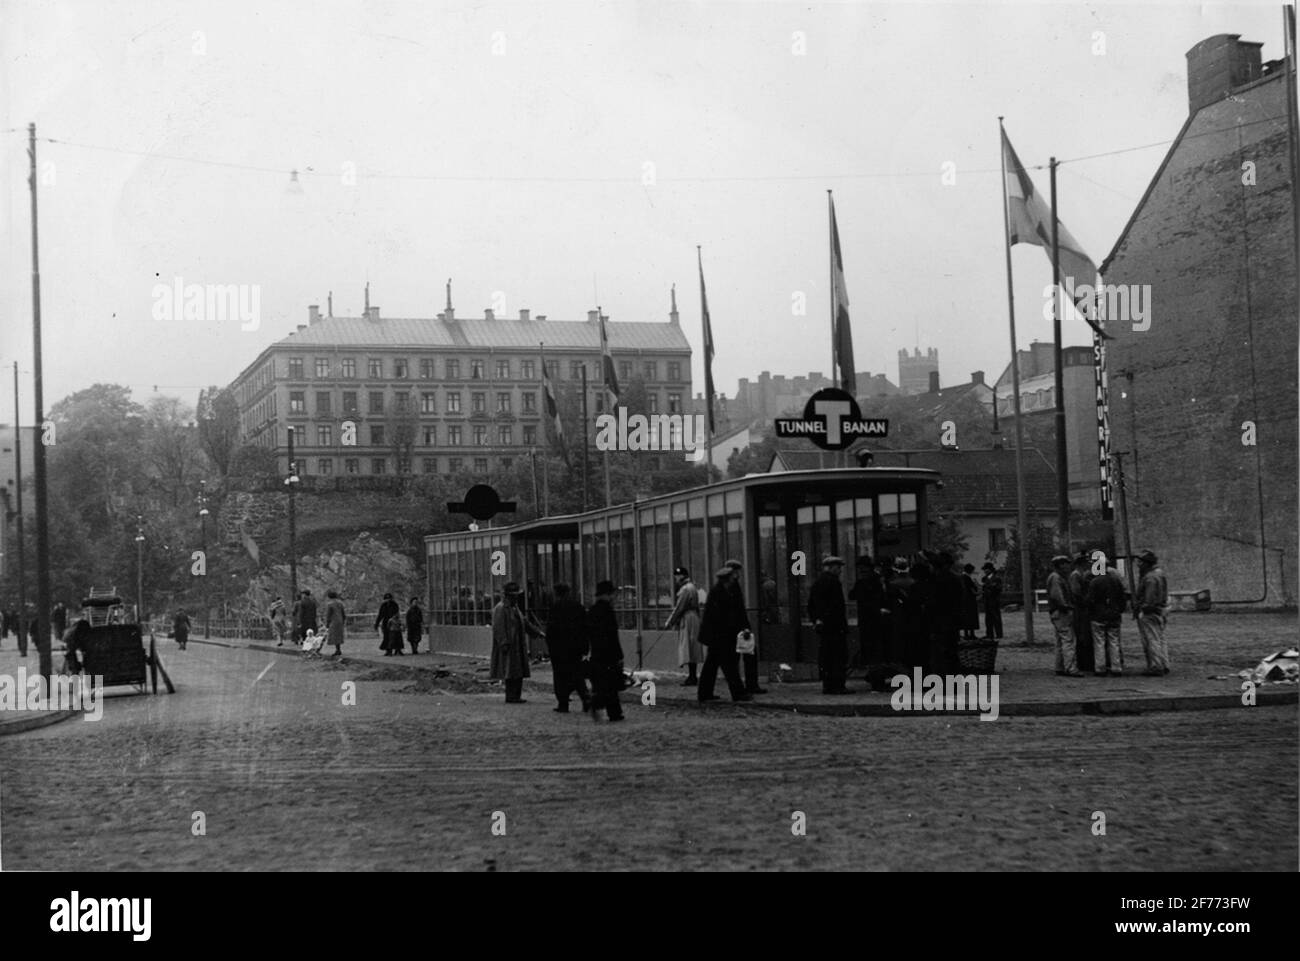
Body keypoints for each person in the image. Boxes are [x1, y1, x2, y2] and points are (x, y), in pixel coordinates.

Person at [697, 568, 750, 703]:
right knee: (728, 665)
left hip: (718, 636)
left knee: (712, 665)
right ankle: (738, 693)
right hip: (719, 636)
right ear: (727, 579)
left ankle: (705, 693)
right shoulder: (719, 593)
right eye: (732, 578)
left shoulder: (723, 591)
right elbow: (720, 617)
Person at [491, 582, 540, 703]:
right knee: (510, 671)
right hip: (509, 644)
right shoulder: (501, 608)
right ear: (508, 596)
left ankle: (516, 695)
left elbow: (524, 622)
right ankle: (511, 695)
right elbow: (498, 627)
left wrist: (537, 633)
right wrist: (504, 643)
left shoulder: (514, 608)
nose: (516, 598)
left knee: (517, 671)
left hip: (517, 644)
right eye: (514, 596)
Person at [808, 555, 850, 694]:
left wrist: (817, 620)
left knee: (827, 656)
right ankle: (838, 685)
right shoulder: (833, 582)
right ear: (831, 568)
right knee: (838, 656)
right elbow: (836, 606)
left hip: (825, 626)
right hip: (835, 626)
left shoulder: (818, 582)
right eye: (838, 568)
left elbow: (812, 605)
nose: (840, 571)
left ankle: (828, 684)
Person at [546, 583, 589, 712]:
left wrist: (550, 647)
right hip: (575, 648)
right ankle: (586, 700)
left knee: (560, 677)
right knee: (577, 675)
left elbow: (551, 630)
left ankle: (563, 703)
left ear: (557, 594)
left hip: (559, 649)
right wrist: (585, 647)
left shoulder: (555, 608)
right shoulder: (578, 607)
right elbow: (585, 628)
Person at [723, 559, 765, 694]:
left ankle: (743, 685)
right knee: (749, 655)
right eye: (736, 571)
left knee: (737, 658)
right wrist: (745, 627)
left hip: (732, 627)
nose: (738, 574)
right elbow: (738, 609)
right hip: (738, 627)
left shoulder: (728, 585)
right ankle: (750, 685)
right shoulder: (733, 586)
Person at [585, 580, 625, 722]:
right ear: (608, 594)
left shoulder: (592, 610)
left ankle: (603, 706)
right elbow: (613, 635)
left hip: (597, 652)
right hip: (609, 653)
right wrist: (619, 655)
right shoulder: (608, 611)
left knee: (602, 683)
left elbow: (588, 632)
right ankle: (612, 711)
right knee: (611, 685)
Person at [1088, 557, 1128, 677]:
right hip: (1114, 615)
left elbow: (1090, 600)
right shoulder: (1115, 580)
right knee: (1114, 642)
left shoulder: (1094, 582)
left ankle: (1100, 668)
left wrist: (1092, 611)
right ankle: (1116, 667)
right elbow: (1122, 598)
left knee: (1099, 642)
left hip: (1098, 616)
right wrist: (1118, 610)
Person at [664, 567, 702, 687]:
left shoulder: (685, 589)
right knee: (691, 647)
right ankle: (692, 675)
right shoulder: (692, 587)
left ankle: (692, 677)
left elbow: (679, 608)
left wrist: (669, 622)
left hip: (688, 618)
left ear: (681, 576)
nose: (676, 579)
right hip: (693, 617)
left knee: (688, 647)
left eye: (677, 576)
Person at [1136, 550, 1170, 676]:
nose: (1138, 565)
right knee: (1160, 638)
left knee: (1151, 639)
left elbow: (1149, 600)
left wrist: (1143, 608)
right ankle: (1164, 664)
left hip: (1150, 612)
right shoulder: (1160, 573)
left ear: (1146, 563)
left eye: (1140, 562)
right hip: (1161, 609)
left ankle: (1156, 666)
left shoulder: (1149, 577)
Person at [849, 555, 887, 667]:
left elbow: (852, 595)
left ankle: (871, 666)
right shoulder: (877, 580)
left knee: (869, 644)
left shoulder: (862, 582)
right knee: (876, 646)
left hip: (866, 617)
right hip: (876, 617)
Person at [929, 553, 964, 674]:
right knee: (952, 653)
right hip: (952, 621)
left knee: (940, 654)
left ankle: (942, 682)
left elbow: (933, 602)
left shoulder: (936, 580)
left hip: (939, 622)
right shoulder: (956, 579)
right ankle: (953, 682)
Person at [1048, 555, 1082, 677]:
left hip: (1057, 612)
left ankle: (1060, 666)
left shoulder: (1057, 577)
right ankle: (1071, 668)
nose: (1067, 566)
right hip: (1061, 612)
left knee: (1060, 640)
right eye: (1065, 564)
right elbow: (1057, 596)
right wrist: (1067, 607)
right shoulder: (1057, 578)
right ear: (1060, 565)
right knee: (1068, 640)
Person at [1070, 553, 1096, 673]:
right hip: (1080, 610)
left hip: (1082, 608)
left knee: (1084, 635)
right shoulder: (1076, 575)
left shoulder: (1080, 574)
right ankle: (1083, 663)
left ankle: (1085, 662)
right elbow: (1076, 593)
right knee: (1082, 635)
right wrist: (1085, 602)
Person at [981, 563, 1004, 639]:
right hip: (987, 600)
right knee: (988, 619)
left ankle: (999, 634)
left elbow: (998, 589)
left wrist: (990, 587)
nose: (984, 571)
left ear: (990, 569)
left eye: (986, 569)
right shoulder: (985, 579)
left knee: (996, 618)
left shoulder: (996, 578)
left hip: (994, 600)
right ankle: (989, 634)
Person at [959, 564, 981, 641]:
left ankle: (966, 634)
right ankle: (971, 634)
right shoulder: (967, 578)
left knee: (966, 617)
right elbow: (972, 589)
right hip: (969, 600)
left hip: (963, 600)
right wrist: (978, 592)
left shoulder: (960, 577)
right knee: (971, 617)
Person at [324, 588, 346, 658]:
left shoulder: (330, 604)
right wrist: (344, 619)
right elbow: (343, 613)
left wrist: (327, 623)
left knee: (334, 635)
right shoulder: (340, 603)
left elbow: (328, 615)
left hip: (334, 621)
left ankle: (337, 650)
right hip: (340, 620)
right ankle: (338, 649)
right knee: (338, 635)